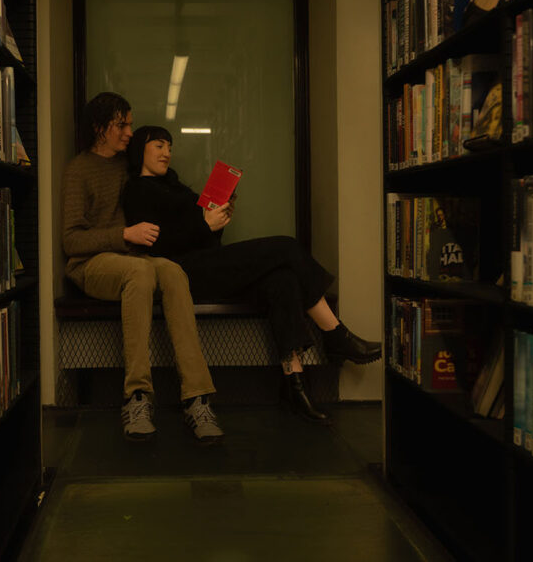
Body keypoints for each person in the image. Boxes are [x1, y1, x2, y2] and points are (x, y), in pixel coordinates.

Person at [121, 125, 382, 424]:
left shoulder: (177, 187)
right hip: (178, 274)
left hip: (206, 263)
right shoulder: (137, 190)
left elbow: (203, 238)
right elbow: (159, 245)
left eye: (169, 146)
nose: (167, 152)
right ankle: (335, 334)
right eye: (158, 146)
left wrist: (218, 221)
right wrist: (203, 225)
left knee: (282, 279)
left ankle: (294, 383)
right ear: (140, 149)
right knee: (285, 247)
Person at [61, 93, 224, 445]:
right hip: (92, 263)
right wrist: (123, 234)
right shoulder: (79, 169)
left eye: (131, 124)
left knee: (172, 271)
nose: (129, 132)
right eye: (122, 125)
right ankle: (137, 397)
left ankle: (196, 397)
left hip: (134, 258)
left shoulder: (127, 167)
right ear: (99, 128)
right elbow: (71, 241)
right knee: (143, 273)